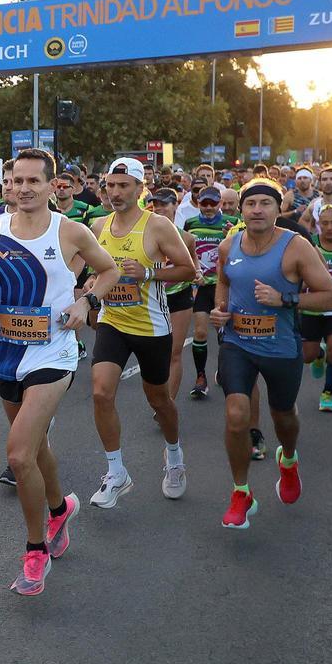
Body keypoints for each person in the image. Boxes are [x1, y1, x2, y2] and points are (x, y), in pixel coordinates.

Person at [0, 148, 119, 595]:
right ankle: (59, 508)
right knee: (35, 446)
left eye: (34, 181)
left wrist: (86, 302)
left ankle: (35, 550)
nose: (24, 188)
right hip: (7, 353)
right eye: (17, 181)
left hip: (54, 352)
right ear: (7, 185)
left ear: (53, 185)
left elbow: (108, 271)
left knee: (18, 455)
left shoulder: (69, 231)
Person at [210, 181, 332, 529]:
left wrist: (285, 299)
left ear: (278, 209)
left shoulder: (296, 246)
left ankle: (289, 459)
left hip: (281, 346)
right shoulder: (228, 245)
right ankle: (241, 492)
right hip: (237, 343)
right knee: (236, 414)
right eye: (250, 203)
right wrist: (220, 309)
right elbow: (224, 280)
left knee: (284, 416)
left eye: (265, 203)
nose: (257, 210)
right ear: (241, 210)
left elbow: (330, 297)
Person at [87, 160, 196, 507]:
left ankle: (174, 457)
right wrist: (91, 283)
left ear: (139, 188)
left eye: (123, 186)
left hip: (151, 327)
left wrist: (148, 274)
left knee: (159, 401)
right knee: (101, 392)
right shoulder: (98, 225)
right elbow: (92, 270)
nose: (115, 192)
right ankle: (116, 472)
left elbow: (188, 270)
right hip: (113, 322)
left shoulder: (158, 225)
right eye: (110, 185)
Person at [185, 186, 239, 399]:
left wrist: (232, 238)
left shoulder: (232, 223)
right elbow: (186, 251)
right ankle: (201, 378)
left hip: (223, 286)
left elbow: (243, 251)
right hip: (201, 286)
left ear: (220, 204)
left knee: (223, 333)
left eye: (213, 203)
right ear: (198, 203)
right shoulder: (190, 223)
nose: (208, 208)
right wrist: (191, 274)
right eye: (204, 203)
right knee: (200, 332)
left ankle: (223, 370)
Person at [147, 189, 200, 404]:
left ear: (175, 206)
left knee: (173, 353)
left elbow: (194, 263)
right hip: (152, 297)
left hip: (178, 296)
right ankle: (159, 398)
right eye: (156, 205)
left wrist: (197, 274)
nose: (159, 208)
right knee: (153, 355)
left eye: (164, 204)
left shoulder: (186, 237)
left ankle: (168, 404)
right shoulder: (144, 234)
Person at [302, 203, 332, 412]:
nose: (329, 227)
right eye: (325, 223)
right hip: (310, 309)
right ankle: (318, 356)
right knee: (307, 356)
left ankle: (327, 393)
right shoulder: (309, 244)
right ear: (318, 224)